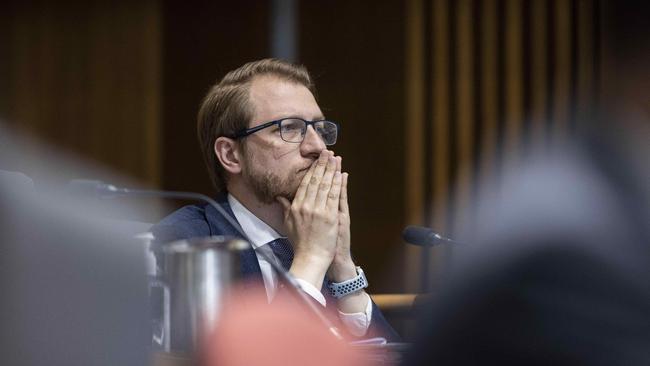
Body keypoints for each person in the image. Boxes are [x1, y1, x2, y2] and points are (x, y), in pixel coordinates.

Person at [151, 59, 398, 340]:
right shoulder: (183, 247)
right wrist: (311, 260)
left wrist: (342, 267)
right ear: (231, 155)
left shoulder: (322, 240)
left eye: (318, 128)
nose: (317, 146)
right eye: (289, 128)